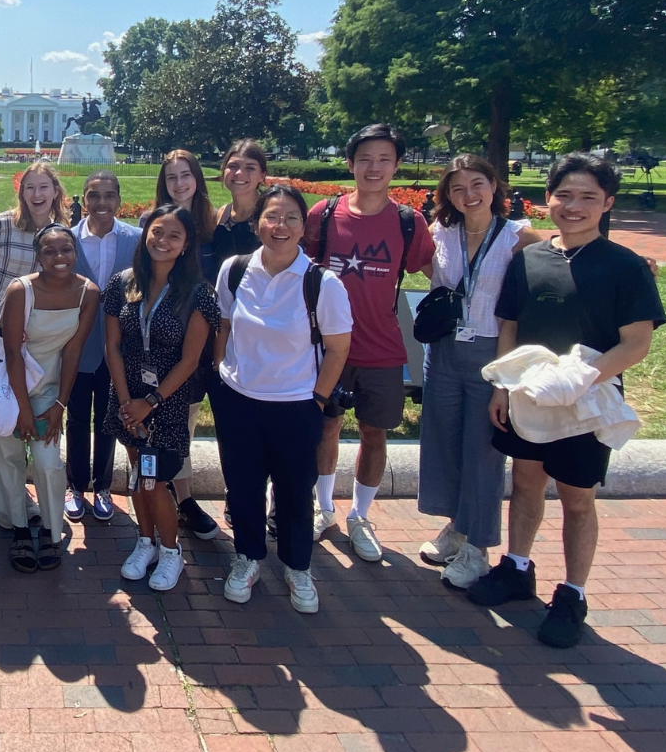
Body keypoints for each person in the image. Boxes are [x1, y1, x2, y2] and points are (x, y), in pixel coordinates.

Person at [466, 153, 666, 648]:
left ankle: (573, 593)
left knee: (577, 499)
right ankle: (516, 567)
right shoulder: (529, 259)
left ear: (608, 204)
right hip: (528, 394)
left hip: (587, 399)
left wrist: (580, 378)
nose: (574, 206)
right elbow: (509, 327)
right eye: (565, 195)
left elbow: (636, 342)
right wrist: (502, 387)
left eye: (588, 198)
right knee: (527, 481)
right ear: (549, 199)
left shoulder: (625, 267)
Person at [213, 185, 352, 613]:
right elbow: (223, 327)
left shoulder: (320, 283)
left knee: (294, 491)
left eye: (292, 217)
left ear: (303, 226)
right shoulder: (234, 270)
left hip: (296, 405)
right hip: (240, 401)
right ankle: (249, 557)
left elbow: (338, 348)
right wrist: (223, 375)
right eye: (272, 217)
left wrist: (316, 399)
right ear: (256, 224)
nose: (281, 226)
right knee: (243, 487)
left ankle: (297, 566)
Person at [302, 123, 434, 560]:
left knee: (375, 433)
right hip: (326, 348)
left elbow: (439, 271)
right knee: (325, 428)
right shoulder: (323, 214)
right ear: (350, 164)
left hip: (382, 347)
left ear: (397, 165)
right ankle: (323, 509)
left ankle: (360, 515)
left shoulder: (408, 222)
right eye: (365, 159)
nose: (373, 168)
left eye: (383, 160)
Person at [416, 155, 534, 590]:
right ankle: (457, 526)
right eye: (458, 187)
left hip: (490, 350)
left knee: (483, 452)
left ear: (494, 186)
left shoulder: (516, 236)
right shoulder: (440, 233)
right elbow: (430, 272)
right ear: (448, 194)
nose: (469, 194)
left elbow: (565, 250)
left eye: (478, 184)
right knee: (445, 443)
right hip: (443, 351)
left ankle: (478, 547)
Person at [105, 205, 219, 592]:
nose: (163, 241)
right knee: (137, 475)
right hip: (126, 398)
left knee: (155, 481)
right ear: (145, 234)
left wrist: (148, 403)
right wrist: (126, 402)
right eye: (157, 232)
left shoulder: (198, 294)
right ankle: (145, 542)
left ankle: (171, 552)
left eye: (174, 236)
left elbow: (191, 360)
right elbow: (112, 346)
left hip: (164, 403)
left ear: (186, 245)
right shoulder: (122, 283)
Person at [0, 224, 97, 572]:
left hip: (49, 389)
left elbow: (74, 350)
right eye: (50, 251)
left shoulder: (88, 293)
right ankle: (19, 529)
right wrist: (21, 409)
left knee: (49, 463)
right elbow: (13, 353)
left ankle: (49, 529)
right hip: (9, 389)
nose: (59, 257)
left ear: (75, 253)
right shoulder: (21, 290)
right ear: (38, 256)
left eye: (66, 249)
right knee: (10, 459)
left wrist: (60, 403)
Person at [141, 149, 220, 538]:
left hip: (199, 340)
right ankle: (165, 493)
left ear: (197, 179)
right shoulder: (151, 222)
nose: (179, 184)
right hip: (156, 340)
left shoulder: (213, 224)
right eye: (171, 177)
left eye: (185, 175)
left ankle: (182, 496)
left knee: (184, 418)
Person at [66, 170, 140, 522]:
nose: (101, 203)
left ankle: (103, 485)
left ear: (119, 200)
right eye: (93, 195)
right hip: (77, 348)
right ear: (83, 199)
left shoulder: (136, 240)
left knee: (109, 421)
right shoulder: (66, 239)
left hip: (119, 351)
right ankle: (75, 485)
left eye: (109, 195)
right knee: (77, 418)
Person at [0, 159, 68, 328]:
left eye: (43, 187)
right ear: (22, 193)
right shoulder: (0, 225)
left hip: (30, 326)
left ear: (55, 192)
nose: (36, 194)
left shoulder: (60, 234)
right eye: (30, 187)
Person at [210, 140, 267, 267]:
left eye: (250, 168)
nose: (239, 173)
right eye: (233, 166)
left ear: (262, 176)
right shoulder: (221, 214)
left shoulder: (270, 215)